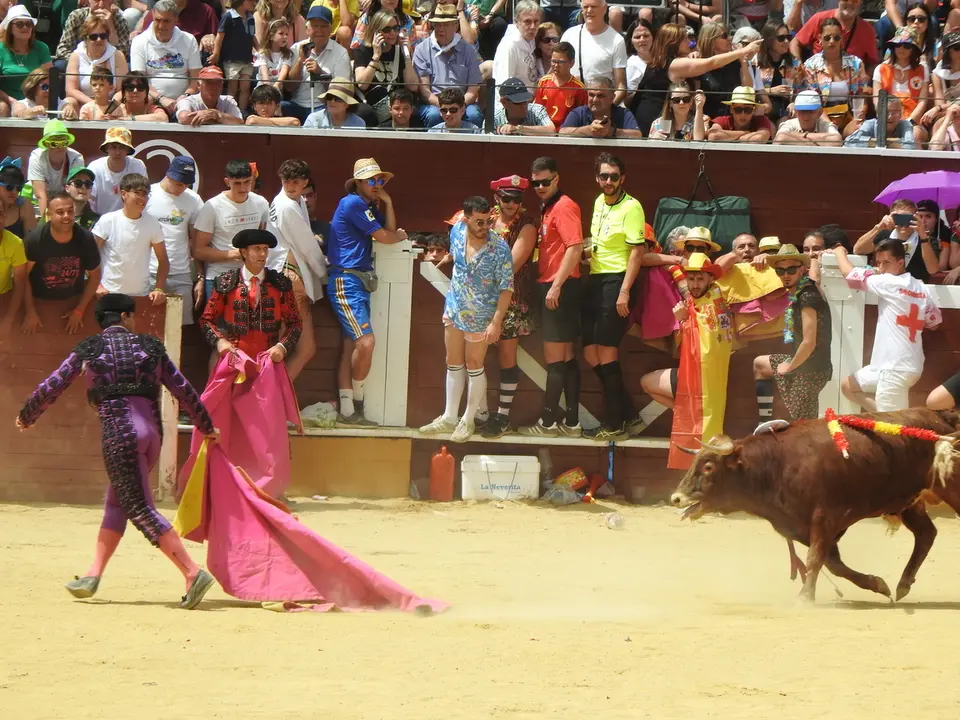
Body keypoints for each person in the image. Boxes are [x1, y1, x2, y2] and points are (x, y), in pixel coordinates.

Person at [16, 293, 218, 609]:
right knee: (117, 502)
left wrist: (27, 414)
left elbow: (54, 384)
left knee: (138, 508)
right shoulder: (150, 347)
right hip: (152, 436)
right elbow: (184, 390)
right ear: (124, 318)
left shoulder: (89, 350)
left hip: (121, 437)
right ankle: (93, 575)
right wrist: (206, 425)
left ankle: (192, 572)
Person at [420, 196, 513, 443]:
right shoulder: (458, 231)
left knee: (475, 363)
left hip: (481, 314)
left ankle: (468, 419)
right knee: (452, 361)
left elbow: (506, 287)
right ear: (467, 218)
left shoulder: (499, 247)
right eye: (479, 221)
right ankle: (450, 415)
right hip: (455, 307)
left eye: (488, 221)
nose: (485, 226)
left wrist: (496, 321)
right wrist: (450, 258)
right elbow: (457, 256)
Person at [328, 158, 407, 427]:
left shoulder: (366, 206)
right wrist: (400, 236)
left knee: (352, 344)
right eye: (372, 180)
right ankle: (357, 405)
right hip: (346, 280)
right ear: (358, 183)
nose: (377, 185)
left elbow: (388, 230)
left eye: (380, 180)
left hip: (356, 281)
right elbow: (388, 236)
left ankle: (349, 411)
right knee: (366, 342)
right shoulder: (352, 203)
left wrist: (389, 202)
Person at [581, 153, 647, 441]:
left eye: (614, 176)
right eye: (604, 176)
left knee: (607, 352)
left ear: (623, 179)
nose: (608, 181)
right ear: (597, 178)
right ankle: (628, 414)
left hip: (617, 280)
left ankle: (615, 423)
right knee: (590, 352)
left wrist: (624, 291)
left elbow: (637, 252)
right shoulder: (598, 201)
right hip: (596, 278)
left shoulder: (632, 207)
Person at [835, 239, 940, 412]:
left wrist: (839, 251)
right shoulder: (920, 286)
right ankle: (883, 415)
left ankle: (890, 419)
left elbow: (850, 276)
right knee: (848, 385)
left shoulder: (887, 282)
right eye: (878, 263)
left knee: (894, 430)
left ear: (900, 263)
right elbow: (934, 322)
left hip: (894, 368)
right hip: (902, 364)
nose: (882, 268)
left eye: (886, 263)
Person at [518, 156, 582, 438]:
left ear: (557, 179)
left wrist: (556, 285)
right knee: (566, 357)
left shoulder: (564, 206)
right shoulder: (550, 207)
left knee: (555, 358)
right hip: (562, 286)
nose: (540, 187)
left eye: (546, 181)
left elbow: (575, 247)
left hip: (559, 287)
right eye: (536, 183)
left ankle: (547, 423)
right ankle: (572, 423)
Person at [478, 175, 537, 439]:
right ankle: (478, 413)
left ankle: (501, 415)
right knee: (474, 356)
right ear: (496, 198)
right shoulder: (485, 219)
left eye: (516, 199)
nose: (511, 204)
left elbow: (511, 266)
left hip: (510, 299)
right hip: (480, 299)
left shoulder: (526, 225)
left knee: (505, 357)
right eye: (506, 198)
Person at [753, 245, 832, 424]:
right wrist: (814, 261)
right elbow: (816, 277)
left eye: (791, 269)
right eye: (780, 270)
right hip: (808, 364)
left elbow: (809, 342)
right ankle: (764, 422)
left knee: (803, 427)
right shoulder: (806, 287)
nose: (786, 274)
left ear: (802, 269)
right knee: (760, 364)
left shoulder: (806, 296)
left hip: (810, 371)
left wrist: (789, 367)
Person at [199, 227, 302, 363]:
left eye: (265, 249)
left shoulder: (280, 284)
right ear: (244, 252)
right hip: (235, 359)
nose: (262, 254)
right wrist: (220, 342)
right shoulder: (227, 283)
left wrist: (282, 347)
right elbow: (206, 319)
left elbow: (295, 322)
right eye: (257, 248)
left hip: (269, 360)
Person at [266, 158, 329, 381]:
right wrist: (324, 275)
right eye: (286, 181)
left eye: (295, 181)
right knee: (298, 348)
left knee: (288, 347)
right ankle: (273, 403)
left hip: (284, 274)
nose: (290, 186)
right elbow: (308, 248)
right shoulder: (287, 206)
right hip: (290, 277)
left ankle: (274, 403)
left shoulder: (290, 201)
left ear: (305, 183)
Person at [21, 192, 102, 335]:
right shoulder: (35, 240)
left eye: (70, 211)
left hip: (73, 301)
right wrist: (30, 311)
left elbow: (95, 276)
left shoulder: (86, 239)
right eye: (60, 212)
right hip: (39, 302)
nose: (66, 215)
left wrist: (79, 310)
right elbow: (23, 276)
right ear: (49, 214)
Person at [193, 159, 270, 302]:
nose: (243, 188)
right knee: (218, 325)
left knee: (250, 325)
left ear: (252, 180)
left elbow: (264, 239)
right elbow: (199, 250)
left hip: (251, 279)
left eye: (247, 182)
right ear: (227, 181)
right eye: (237, 183)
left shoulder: (261, 203)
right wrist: (232, 254)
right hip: (219, 279)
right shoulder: (212, 207)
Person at [144, 157, 204, 326]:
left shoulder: (194, 200)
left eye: (187, 184)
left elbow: (196, 241)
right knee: (147, 325)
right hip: (149, 271)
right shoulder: (148, 194)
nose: (182, 188)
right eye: (179, 183)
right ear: (168, 175)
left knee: (180, 327)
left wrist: (199, 276)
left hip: (181, 272)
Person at [92, 173, 169, 305]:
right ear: (123, 193)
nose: (142, 198)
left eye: (145, 194)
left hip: (141, 296)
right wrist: (96, 285)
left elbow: (163, 260)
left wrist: (158, 288)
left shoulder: (152, 223)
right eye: (137, 193)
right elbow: (90, 255)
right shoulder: (107, 220)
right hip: (108, 294)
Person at [129, 0, 203, 116]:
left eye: (166, 21)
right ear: (152, 16)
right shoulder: (139, 41)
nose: (161, 26)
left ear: (176, 20)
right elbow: (139, 80)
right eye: (157, 20)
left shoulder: (189, 40)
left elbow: (196, 78)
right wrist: (161, 98)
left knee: (186, 116)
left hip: (184, 99)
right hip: (150, 98)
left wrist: (185, 97)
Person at [27, 120, 85, 220]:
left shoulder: (76, 158)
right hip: (38, 204)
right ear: (46, 144)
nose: (60, 147)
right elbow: (40, 195)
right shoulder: (37, 157)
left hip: (65, 202)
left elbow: (75, 191)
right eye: (54, 144)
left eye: (64, 143)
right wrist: (45, 223)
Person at [208, 0, 258, 110]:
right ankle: (230, 110)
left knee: (245, 87)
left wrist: (260, 50)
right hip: (232, 59)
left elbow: (252, 36)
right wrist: (216, 53)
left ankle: (242, 111)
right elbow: (219, 36)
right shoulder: (229, 16)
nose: (254, 3)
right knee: (233, 87)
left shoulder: (250, 18)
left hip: (246, 59)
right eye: (252, 1)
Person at [88, 127, 149, 215]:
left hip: (130, 219)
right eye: (113, 147)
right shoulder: (95, 167)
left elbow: (144, 195)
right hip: (100, 220)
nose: (117, 152)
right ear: (106, 148)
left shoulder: (138, 166)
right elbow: (90, 199)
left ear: (128, 150)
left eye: (122, 147)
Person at [534, 40, 587, 127]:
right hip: (544, 132)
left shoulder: (579, 88)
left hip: (566, 134)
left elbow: (582, 116)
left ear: (572, 63)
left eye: (561, 62)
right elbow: (536, 110)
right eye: (553, 61)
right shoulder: (543, 82)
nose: (556, 65)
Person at [0, 207, 27, 338]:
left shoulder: (16, 242)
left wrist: (9, 319)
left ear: (4, 217)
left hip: (3, 296)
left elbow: (20, 282)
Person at [0, 157, 36, 239]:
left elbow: (31, 241)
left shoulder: (24, 205)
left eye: (19, 188)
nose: (14, 192)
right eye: (9, 187)